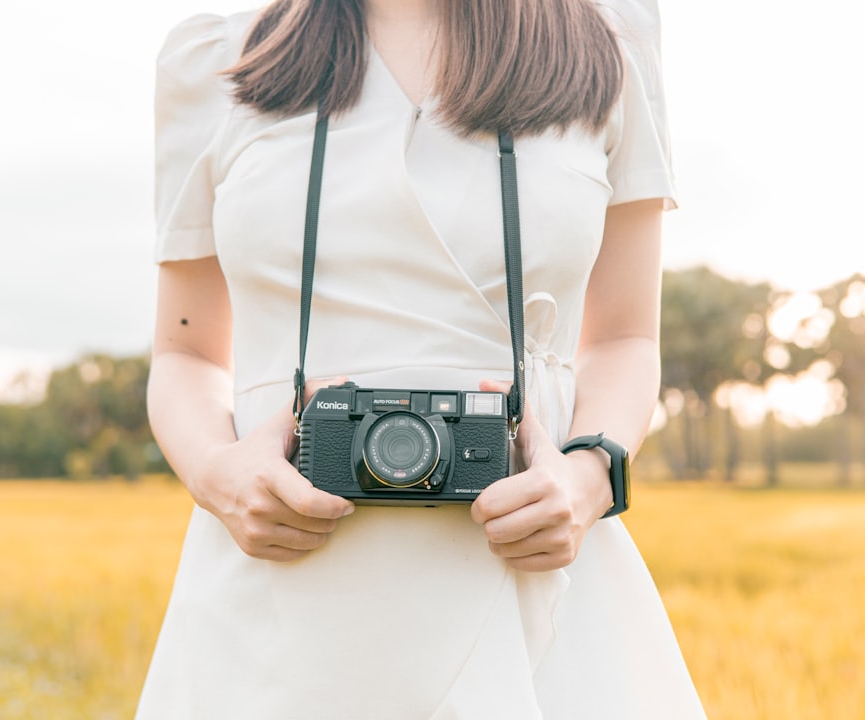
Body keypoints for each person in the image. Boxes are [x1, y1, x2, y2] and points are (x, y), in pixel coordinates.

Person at [137, 0, 706, 717]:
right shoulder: (218, 53)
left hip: (532, 560)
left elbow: (625, 337)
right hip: (277, 581)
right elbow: (185, 350)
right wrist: (218, 475)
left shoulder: (606, 37)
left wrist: (591, 478)